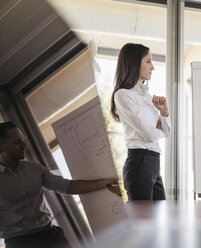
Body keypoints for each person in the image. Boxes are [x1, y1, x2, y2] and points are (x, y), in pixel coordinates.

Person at [0, 121, 122, 248]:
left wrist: (104, 183)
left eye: (23, 139)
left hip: (52, 236)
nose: (24, 145)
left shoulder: (34, 169)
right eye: (17, 142)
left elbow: (66, 186)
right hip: (21, 244)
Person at [110, 43, 171, 201]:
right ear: (134, 63)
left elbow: (168, 132)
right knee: (142, 223)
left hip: (153, 162)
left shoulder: (146, 96)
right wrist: (159, 128)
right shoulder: (123, 95)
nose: (153, 68)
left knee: (159, 218)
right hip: (140, 162)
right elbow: (150, 134)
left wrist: (164, 113)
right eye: (148, 61)